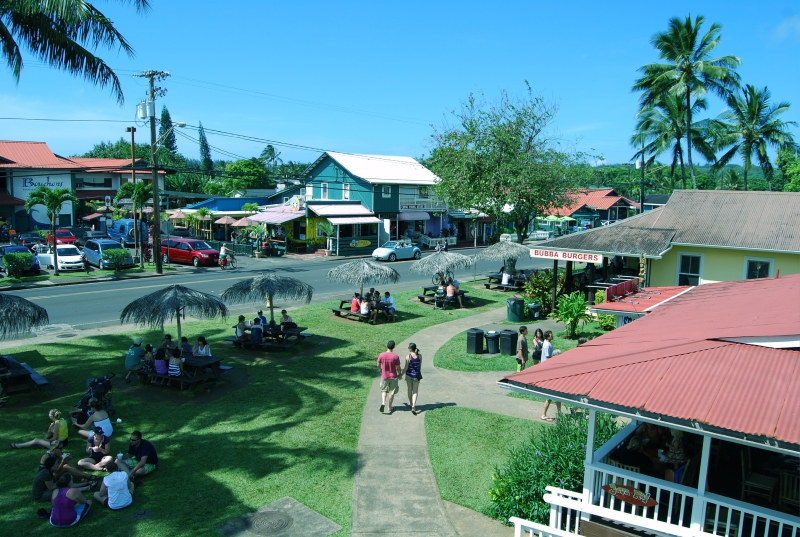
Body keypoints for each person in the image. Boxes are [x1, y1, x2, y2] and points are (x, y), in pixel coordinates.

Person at [540, 331, 561, 421]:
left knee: (557, 395)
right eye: (551, 335)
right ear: (548, 336)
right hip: (548, 371)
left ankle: (560, 414)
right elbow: (548, 358)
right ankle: (544, 414)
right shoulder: (548, 345)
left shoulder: (546, 343)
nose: (552, 336)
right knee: (550, 396)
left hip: (546, 369)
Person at [377, 340, 401, 414]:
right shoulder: (396, 357)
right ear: (393, 347)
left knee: (384, 390)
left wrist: (380, 370)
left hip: (384, 376)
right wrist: (399, 374)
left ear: (387, 345)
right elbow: (398, 367)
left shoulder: (381, 355)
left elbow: (378, 364)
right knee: (392, 392)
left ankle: (383, 403)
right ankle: (390, 407)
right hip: (393, 376)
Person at [401, 342, 422, 415]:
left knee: (409, 389)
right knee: (415, 391)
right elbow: (419, 366)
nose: (408, 348)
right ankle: (413, 405)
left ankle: (410, 402)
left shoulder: (408, 357)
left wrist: (401, 375)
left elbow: (406, 367)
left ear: (410, 349)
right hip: (416, 376)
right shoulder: (419, 356)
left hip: (409, 375)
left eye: (408, 347)